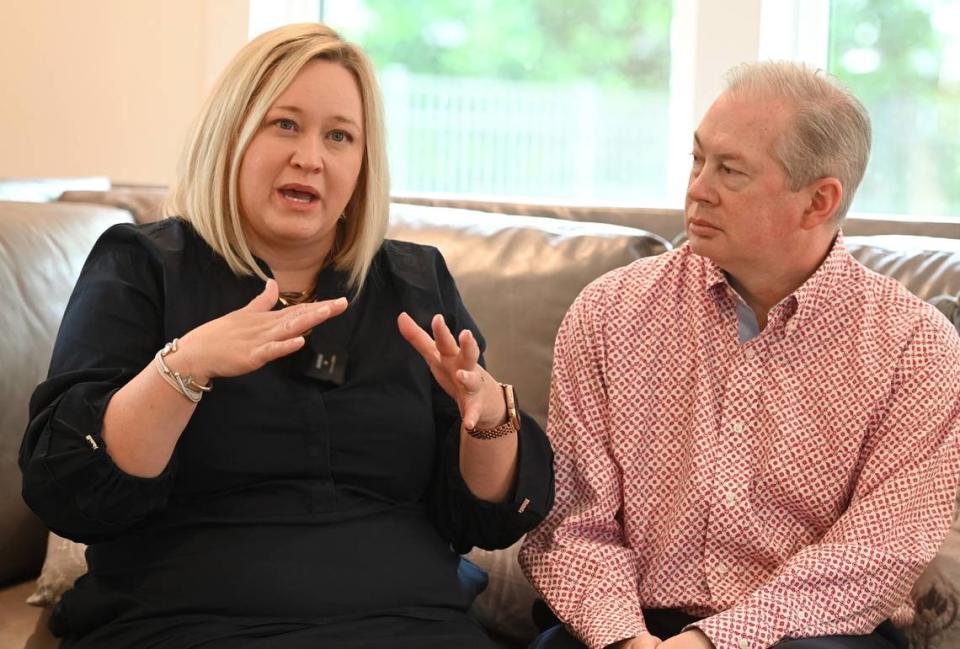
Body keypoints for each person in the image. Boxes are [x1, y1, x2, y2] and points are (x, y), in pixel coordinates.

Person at [20, 23, 552, 649]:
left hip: (405, 620)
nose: (311, 157)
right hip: (184, 619)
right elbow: (73, 493)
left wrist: (486, 416)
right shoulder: (143, 266)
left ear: (362, 163)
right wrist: (184, 368)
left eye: (339, 136)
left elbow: (481, 520)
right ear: (232, 135)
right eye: (285, 125)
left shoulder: (414, 282)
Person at [519, 61, 960, 649]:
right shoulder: (608, 312)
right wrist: (626, 639)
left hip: (809, 634)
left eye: (730, 171)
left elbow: (879, 553)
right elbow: (569, 522)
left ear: (817, 202)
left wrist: (710, 642)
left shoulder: (917, 348)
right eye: (698, 159)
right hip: (627, 627)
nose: (698, 187)